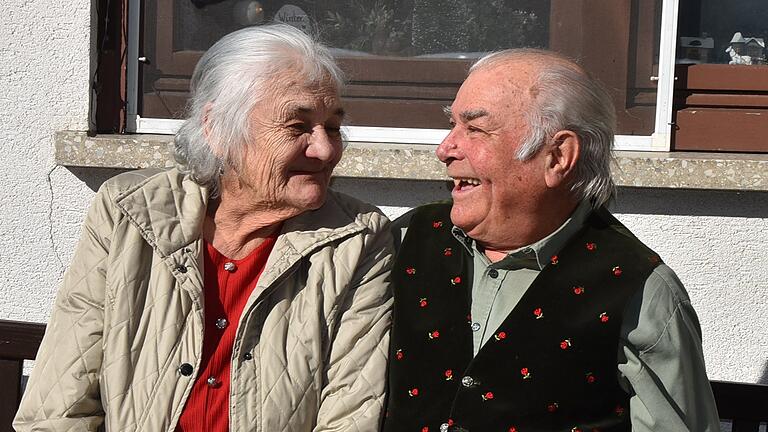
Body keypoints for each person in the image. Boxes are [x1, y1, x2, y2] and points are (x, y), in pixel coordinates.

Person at [15, 24, 393, 432]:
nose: (325, 149)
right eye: (297, 126)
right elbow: (59, 406)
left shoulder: (358, 239)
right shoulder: (130, 212)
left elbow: (351, 417)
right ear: (217, 129)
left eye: (333, 127)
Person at [382, 49, 719, 432]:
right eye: (453, 126)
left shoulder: (642, 292)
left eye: (475, 129)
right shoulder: (407, 239)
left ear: (557, 157)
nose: (444, 149)